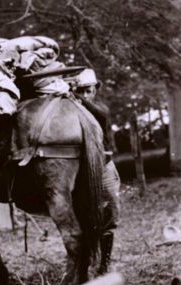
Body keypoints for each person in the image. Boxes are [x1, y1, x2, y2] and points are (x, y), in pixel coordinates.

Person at [72, 69, 121, 274]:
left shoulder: (99, 109)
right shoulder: (72, 110)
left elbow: (101, 115)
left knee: (108, 215)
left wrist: (77, 98)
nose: (85, 94)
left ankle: (104, 264)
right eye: (81, 91)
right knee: (84, 217)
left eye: (88, 91)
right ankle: (84, 263)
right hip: (83, 173)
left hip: (104, 168)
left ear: (94, 91)